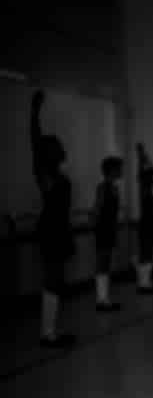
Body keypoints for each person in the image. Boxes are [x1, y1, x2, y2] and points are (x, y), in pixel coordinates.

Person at [30, 90, 76, 347]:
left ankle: (51, 331)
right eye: (56, 146)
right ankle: (47, 334)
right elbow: (34, 143)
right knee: (52, 279)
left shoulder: (59, 175)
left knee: (56, 280)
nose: (62, 147)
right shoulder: (47, 177)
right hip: (51, 230)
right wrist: (34, 113)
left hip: (59, 229)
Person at [93, 156, 124, 311]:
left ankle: (104, 298)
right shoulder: (103, 187)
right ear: (111, 170)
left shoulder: (115, 188)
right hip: (103, 229)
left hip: (110, 228)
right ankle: (101, 299)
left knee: (106, 263)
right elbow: (97, 210)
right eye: (119, 168)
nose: (121, 171)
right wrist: (98, 227)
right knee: (101, 262)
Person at [135, 143, 153, 294]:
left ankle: (145, 282)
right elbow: (141, 171)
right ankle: (143, 283)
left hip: (151, 226)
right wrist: (141, 156)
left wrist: (146, 158)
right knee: (145, 253)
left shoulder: (151, 195)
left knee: (148, 253)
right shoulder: (144, 193)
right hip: (146, 226)